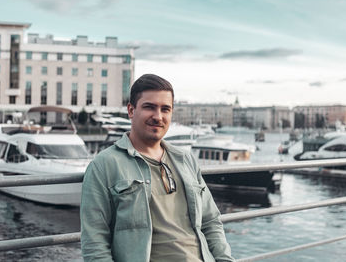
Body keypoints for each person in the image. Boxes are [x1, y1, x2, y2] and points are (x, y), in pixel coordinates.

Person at [80, 74, 235, 261]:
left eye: (165, 109)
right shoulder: (104, 165)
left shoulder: (185, 159)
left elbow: (211, 222)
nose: (158, 116)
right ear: (131, 110)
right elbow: (95, 243)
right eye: (149, 107)